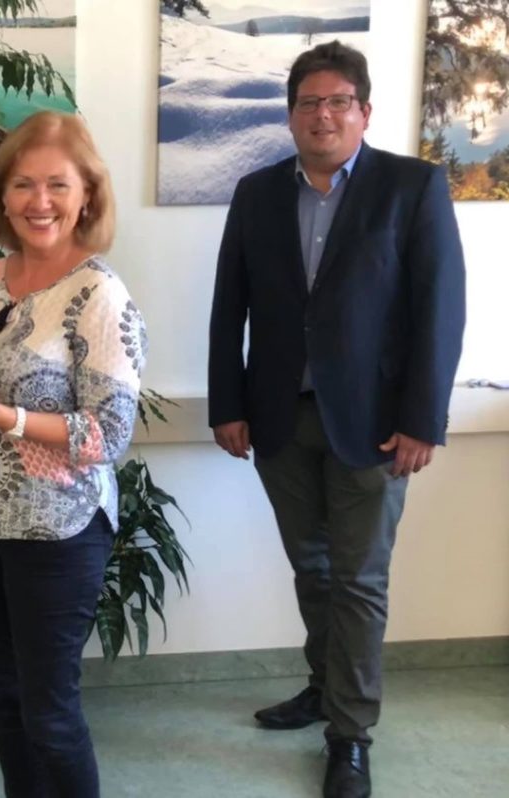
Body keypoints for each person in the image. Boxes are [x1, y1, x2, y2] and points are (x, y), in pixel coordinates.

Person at [208, 41, 465, 798]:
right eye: (309, 103)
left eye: (338, 101)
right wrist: (227, 405)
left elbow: (440, 309)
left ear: (364, 111)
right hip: (278, 420)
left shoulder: (413, 187)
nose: (323, 115)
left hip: (377, 426)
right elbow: (229, 306)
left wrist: (424, 419)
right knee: (313, 571)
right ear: (291, 115)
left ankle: (349, 736)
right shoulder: (256, 193)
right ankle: (325, 687)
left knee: (358, 581)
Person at [0, 110, 145, 798]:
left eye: (58, 184)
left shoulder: (98, 294)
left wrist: (13, 419)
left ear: (87, 195)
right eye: (23, 184)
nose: (40, 201)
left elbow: (108, 435)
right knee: (4, 695)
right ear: (2, 197)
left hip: (58, 531)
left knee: (51, 716)